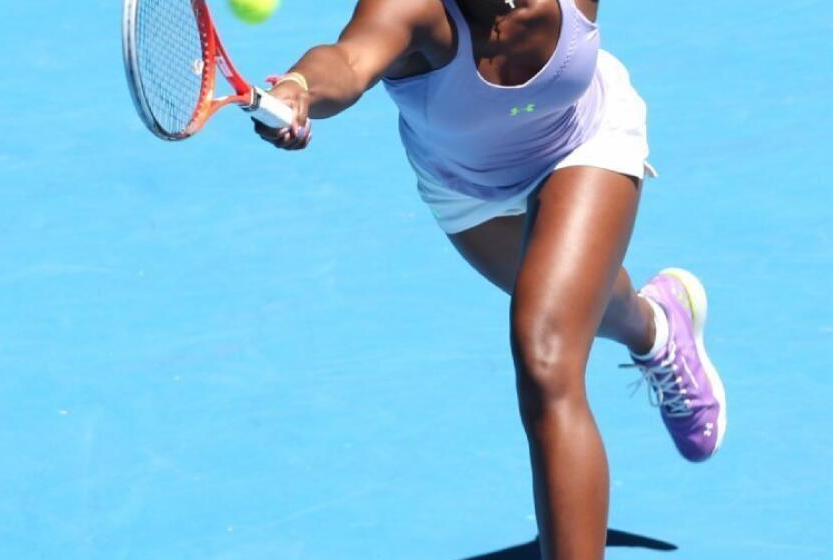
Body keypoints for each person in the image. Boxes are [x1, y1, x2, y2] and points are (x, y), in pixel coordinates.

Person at [253, 0, 727, 558]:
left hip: (584, 140)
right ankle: (656, 326)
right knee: (594, 307)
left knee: (545, 356)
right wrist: (300, 85)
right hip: (466, 189)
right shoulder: (412, 9)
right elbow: (349, 61)